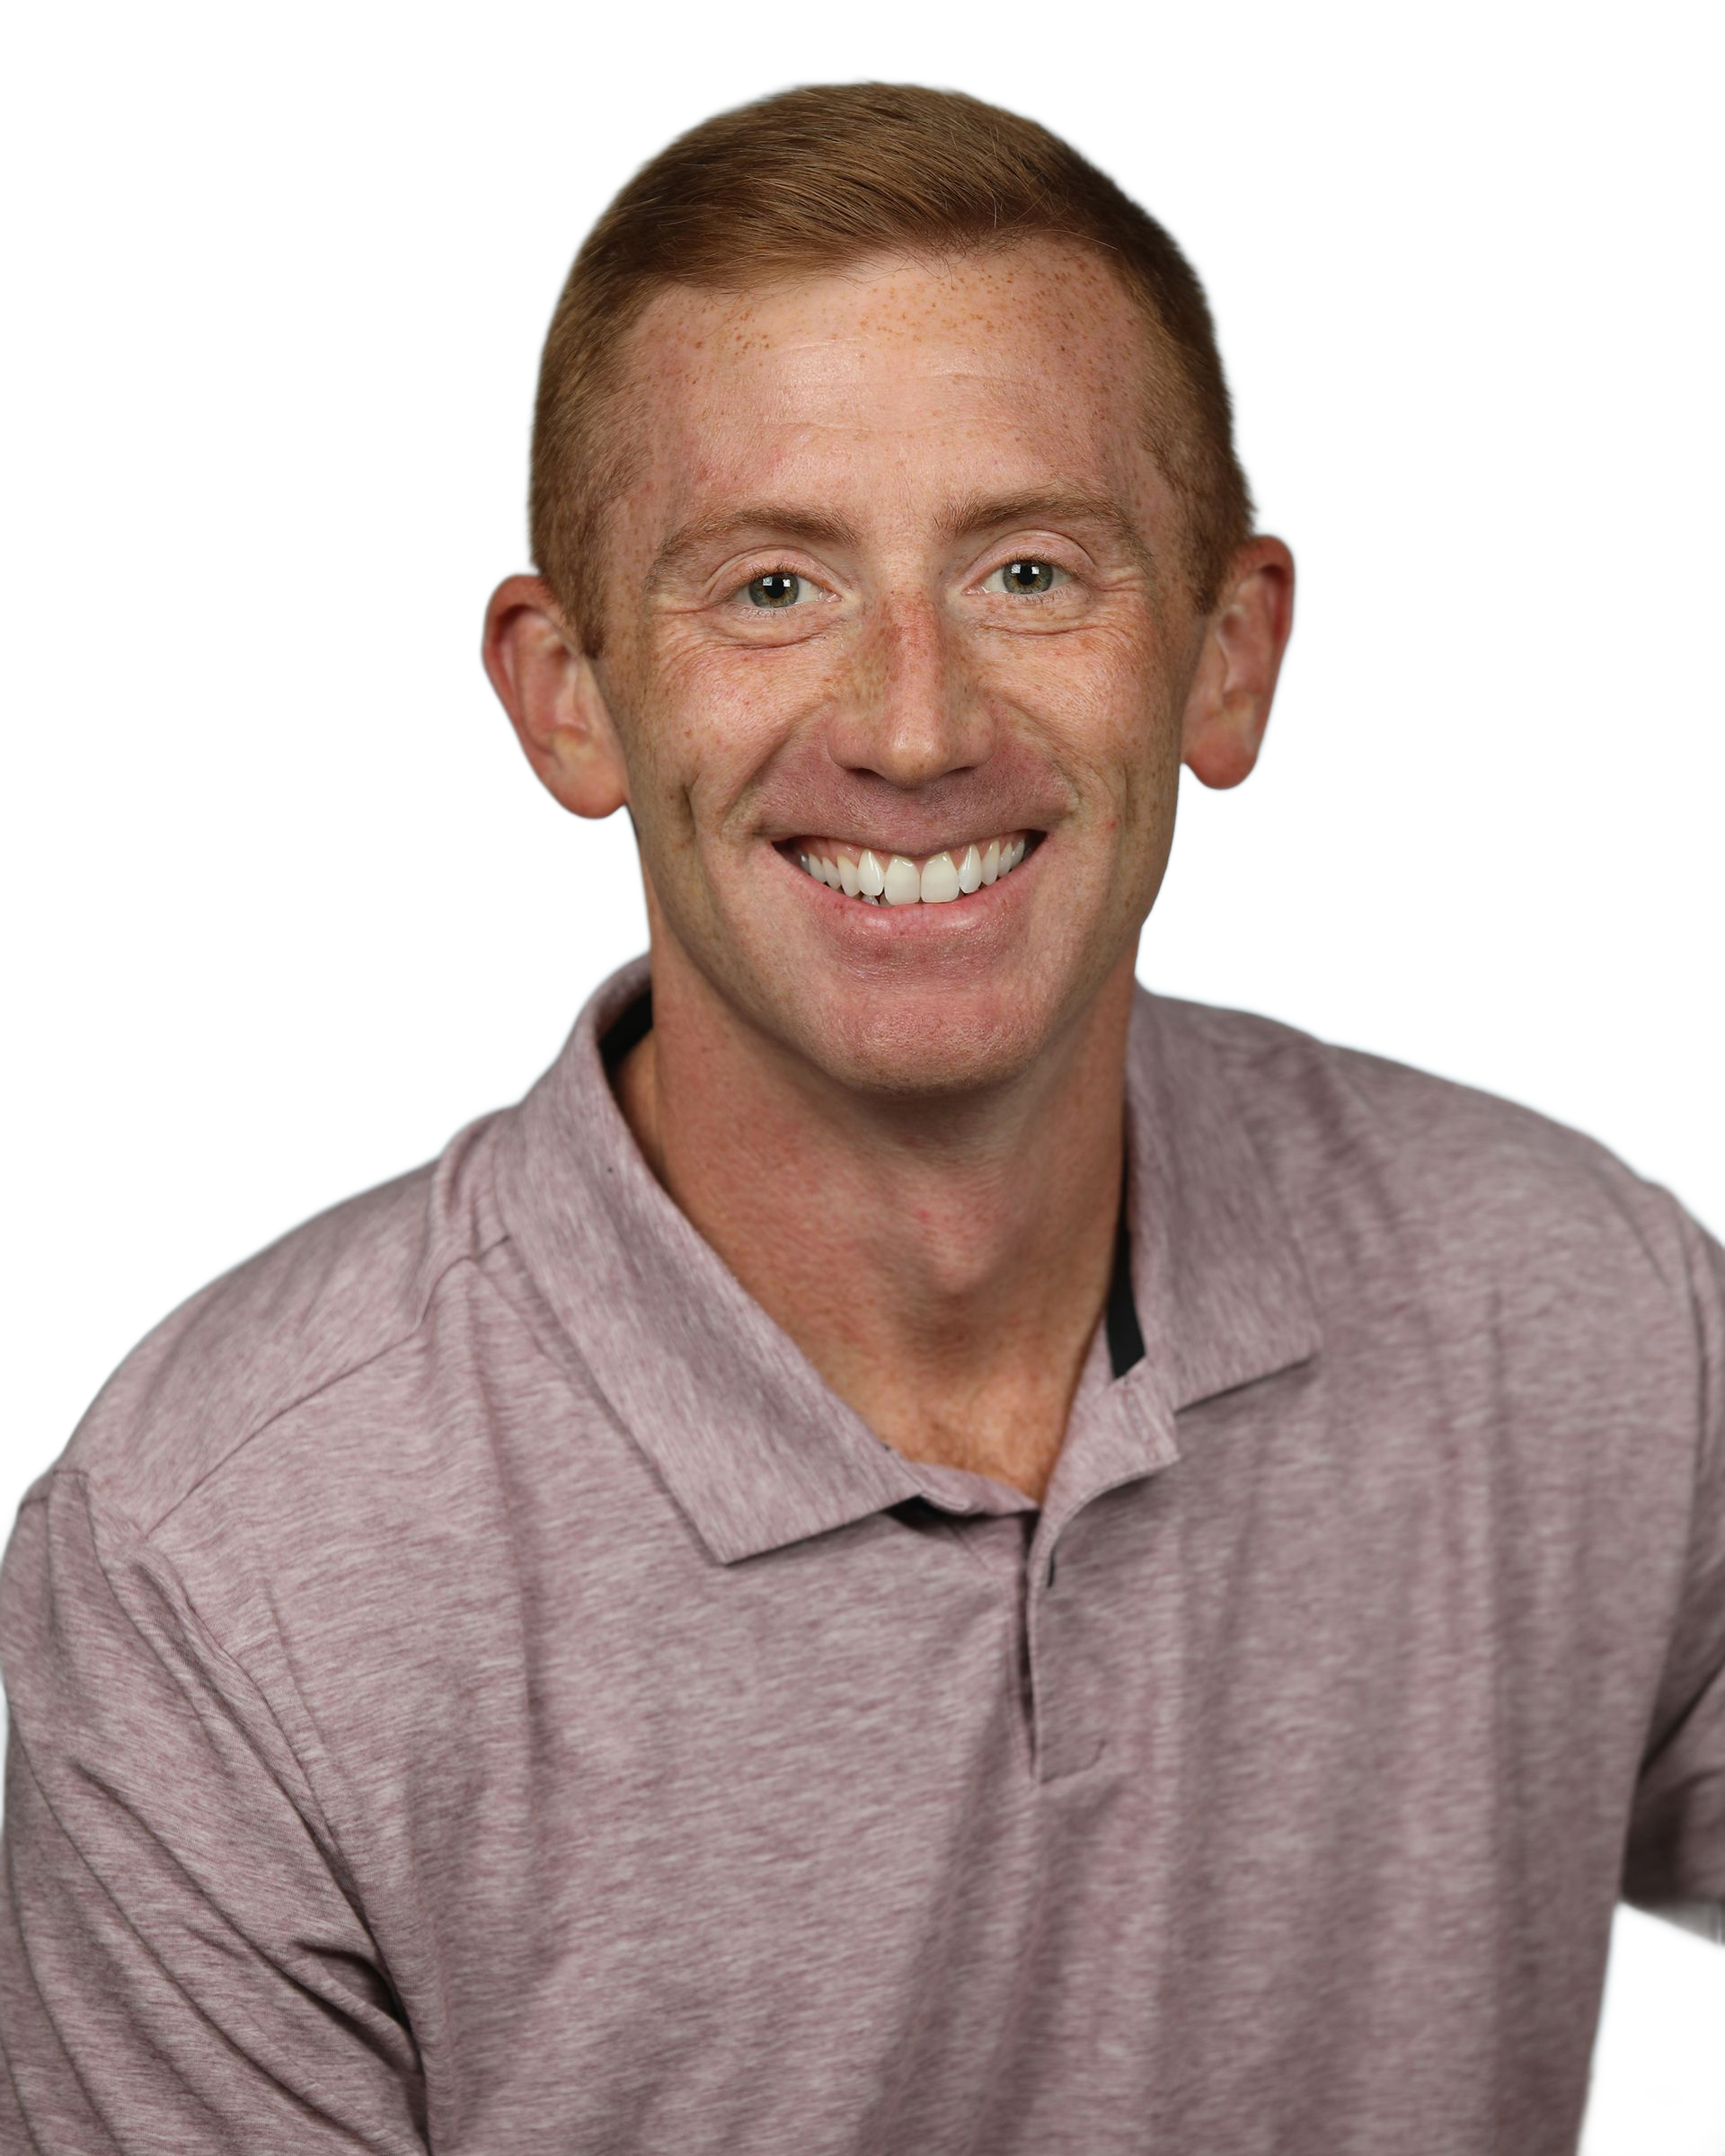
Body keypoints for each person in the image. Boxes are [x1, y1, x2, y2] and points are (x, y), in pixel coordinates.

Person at [1, 75, 1718, 2156]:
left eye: (1026, 571)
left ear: (1230, 656)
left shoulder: (1597, 1302)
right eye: (772, 588)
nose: (915, 726)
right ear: (569, 693)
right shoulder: (212, 1560)